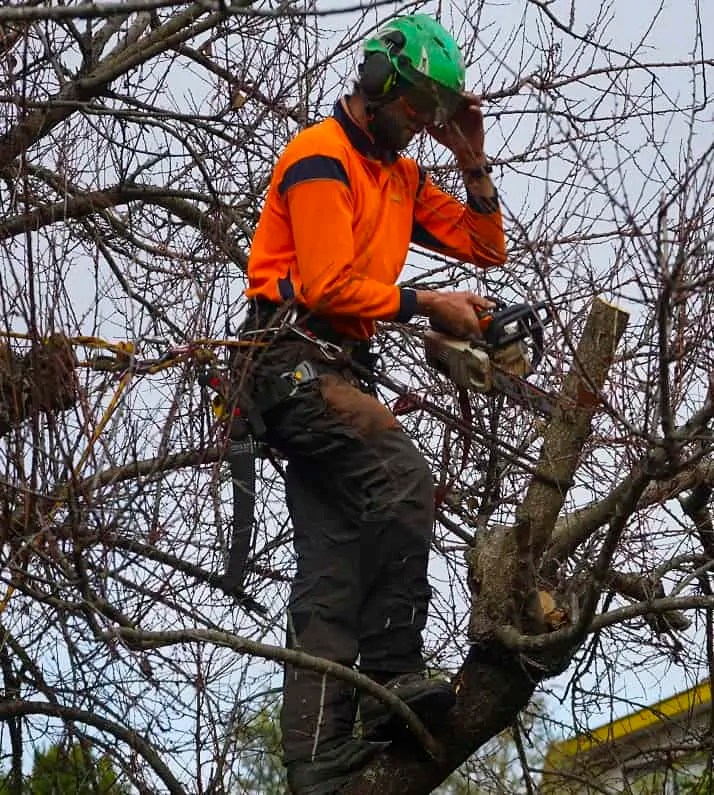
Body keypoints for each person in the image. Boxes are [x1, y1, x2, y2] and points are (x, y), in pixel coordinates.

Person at [241, 13, 507, 794]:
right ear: (381, 80)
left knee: (333, 561)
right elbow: (325, 286)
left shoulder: (402, 172)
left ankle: (316, 757)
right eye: (418, 106)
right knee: (401, 478)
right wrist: (429, 304)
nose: (421, 123)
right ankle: (395, 667)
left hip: (337, 371)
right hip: (292, 362)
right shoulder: (321, 156)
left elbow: (485, 246)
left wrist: (473, 160)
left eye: (433, 114)